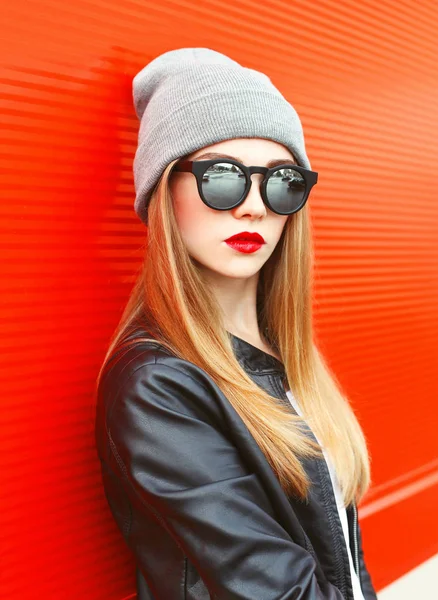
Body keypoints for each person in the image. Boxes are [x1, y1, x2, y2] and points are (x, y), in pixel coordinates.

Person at [95, 47, 377, 600]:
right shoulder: (158, 385)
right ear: (164, 191)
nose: (253, 206)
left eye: (282, 182)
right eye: (223, 177)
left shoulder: (286, 359)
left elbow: (345, 559)